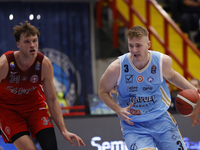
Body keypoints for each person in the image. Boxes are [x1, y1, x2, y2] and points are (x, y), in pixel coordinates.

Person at [98, 25, 200, 150]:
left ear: (148, 44)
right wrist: (118, 109)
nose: (134, 50)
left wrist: (196, 93)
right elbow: (103, 91)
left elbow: (172, 76)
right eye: (131, 45)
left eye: (138, 45)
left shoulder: (162, 61)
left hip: (161, 119)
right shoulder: (116, 67)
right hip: (134, 125)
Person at [0, 21, 85, 150]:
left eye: (34, 40)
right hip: (9, 111)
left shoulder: (44, 64)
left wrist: (64, 130)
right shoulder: (5, 64)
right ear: (18, 45)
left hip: (35, 108)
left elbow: (51, 99)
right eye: (27, 42)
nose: (32, 45)